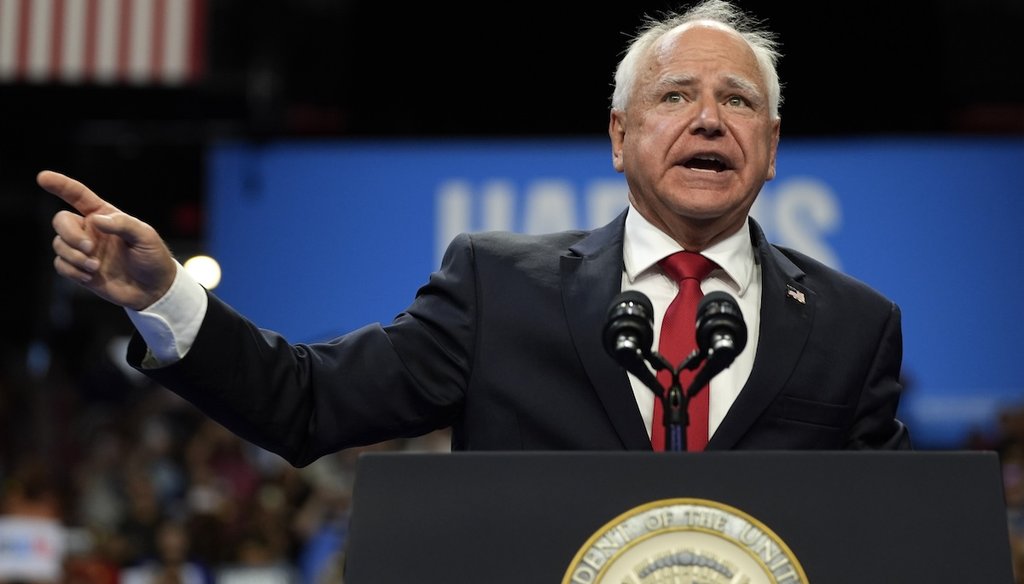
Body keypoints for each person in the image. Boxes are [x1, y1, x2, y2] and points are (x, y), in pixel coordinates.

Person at [39, 0, 911, 465]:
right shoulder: (502, 289)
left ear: (771, 150)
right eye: (676, 96)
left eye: (739, 102)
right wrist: (165, 297)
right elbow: (307, 404)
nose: (710, 120)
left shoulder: (851, 324)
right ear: (618, 136)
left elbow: (899, 539)